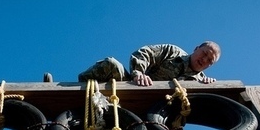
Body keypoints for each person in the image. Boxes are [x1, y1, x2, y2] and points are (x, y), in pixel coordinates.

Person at [77, 42, 221, 86]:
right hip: (134, 89)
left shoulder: (201, 81)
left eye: (210, 60)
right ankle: (78, 89)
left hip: (160, 115)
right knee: (111, 64)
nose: (205, 59)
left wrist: (207, 86)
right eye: (204, 53)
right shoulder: (172, 52)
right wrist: (138, 73)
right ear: (196, 49)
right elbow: (145, 53)